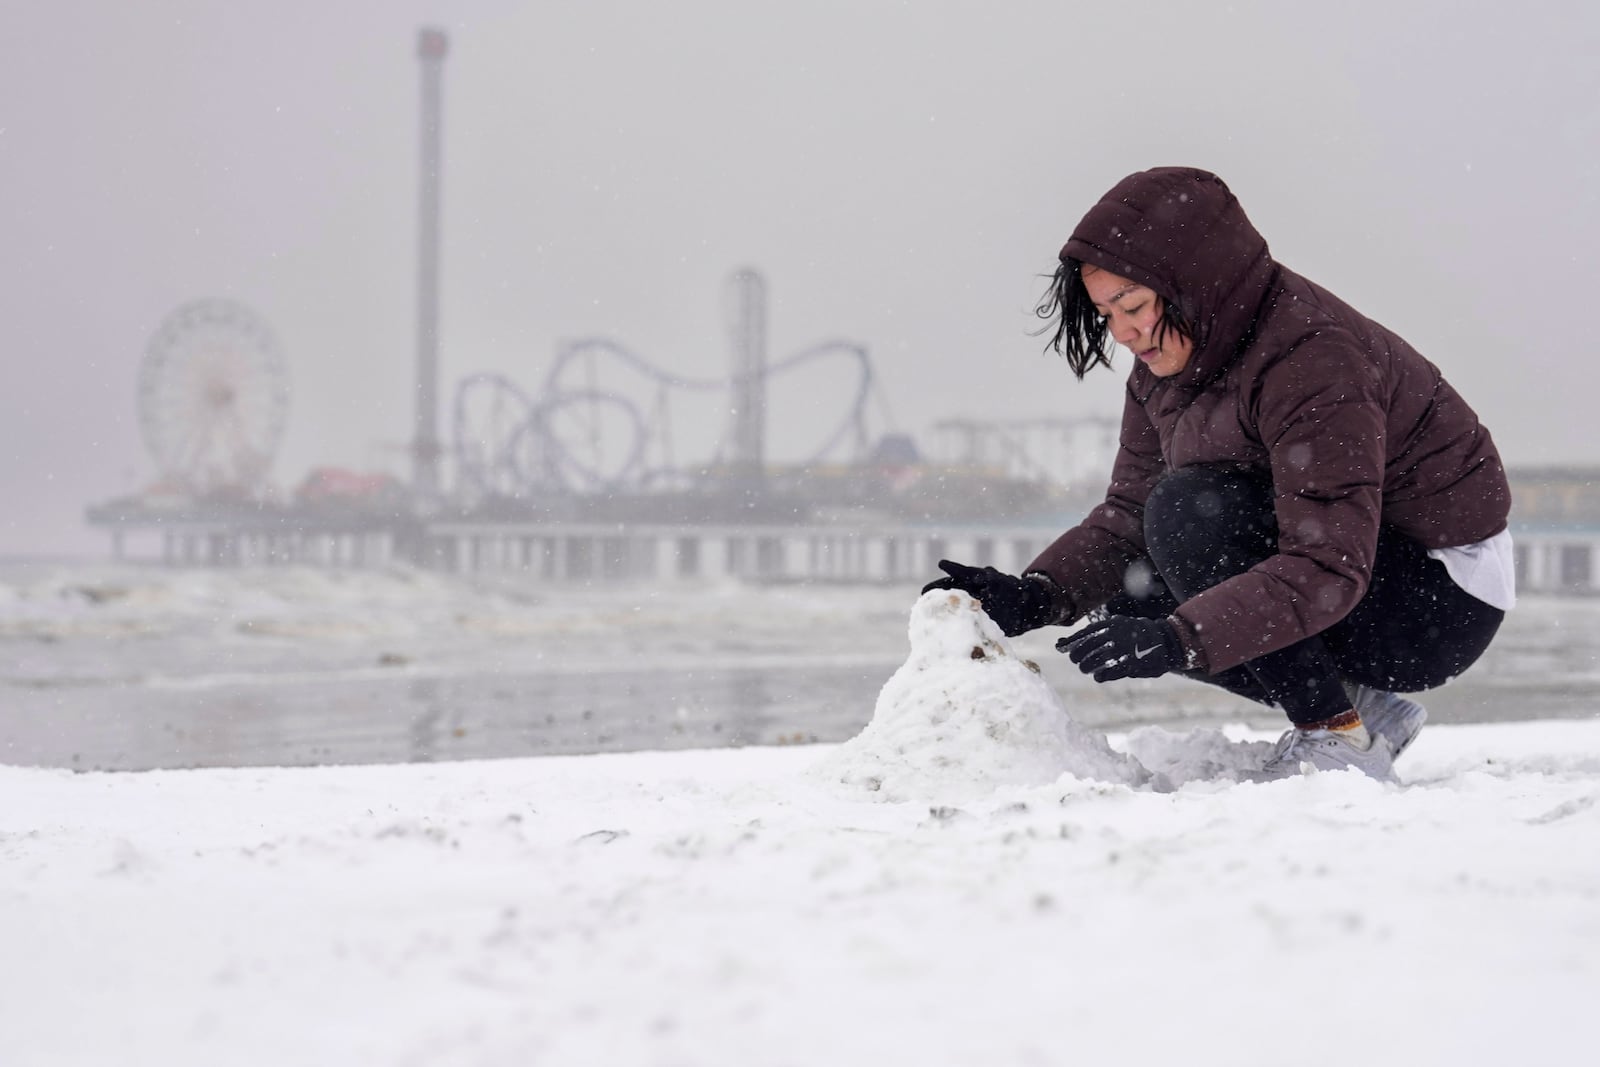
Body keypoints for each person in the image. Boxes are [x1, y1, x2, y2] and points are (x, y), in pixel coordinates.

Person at [923, 166, 1513, 782]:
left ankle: (1336, 738)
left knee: (1188, 513)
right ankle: (1366, 712)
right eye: (1106, 315)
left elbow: (1329, 563)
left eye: (1133, 306)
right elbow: (1128, 517)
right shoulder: (1164, 369)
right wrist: (1039, 593)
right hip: (1352, 573)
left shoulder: (1312, 355)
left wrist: (1181, 639)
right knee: (1129, 585)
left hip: (1437, 601)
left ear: (1195, 285)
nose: (1123, 333)